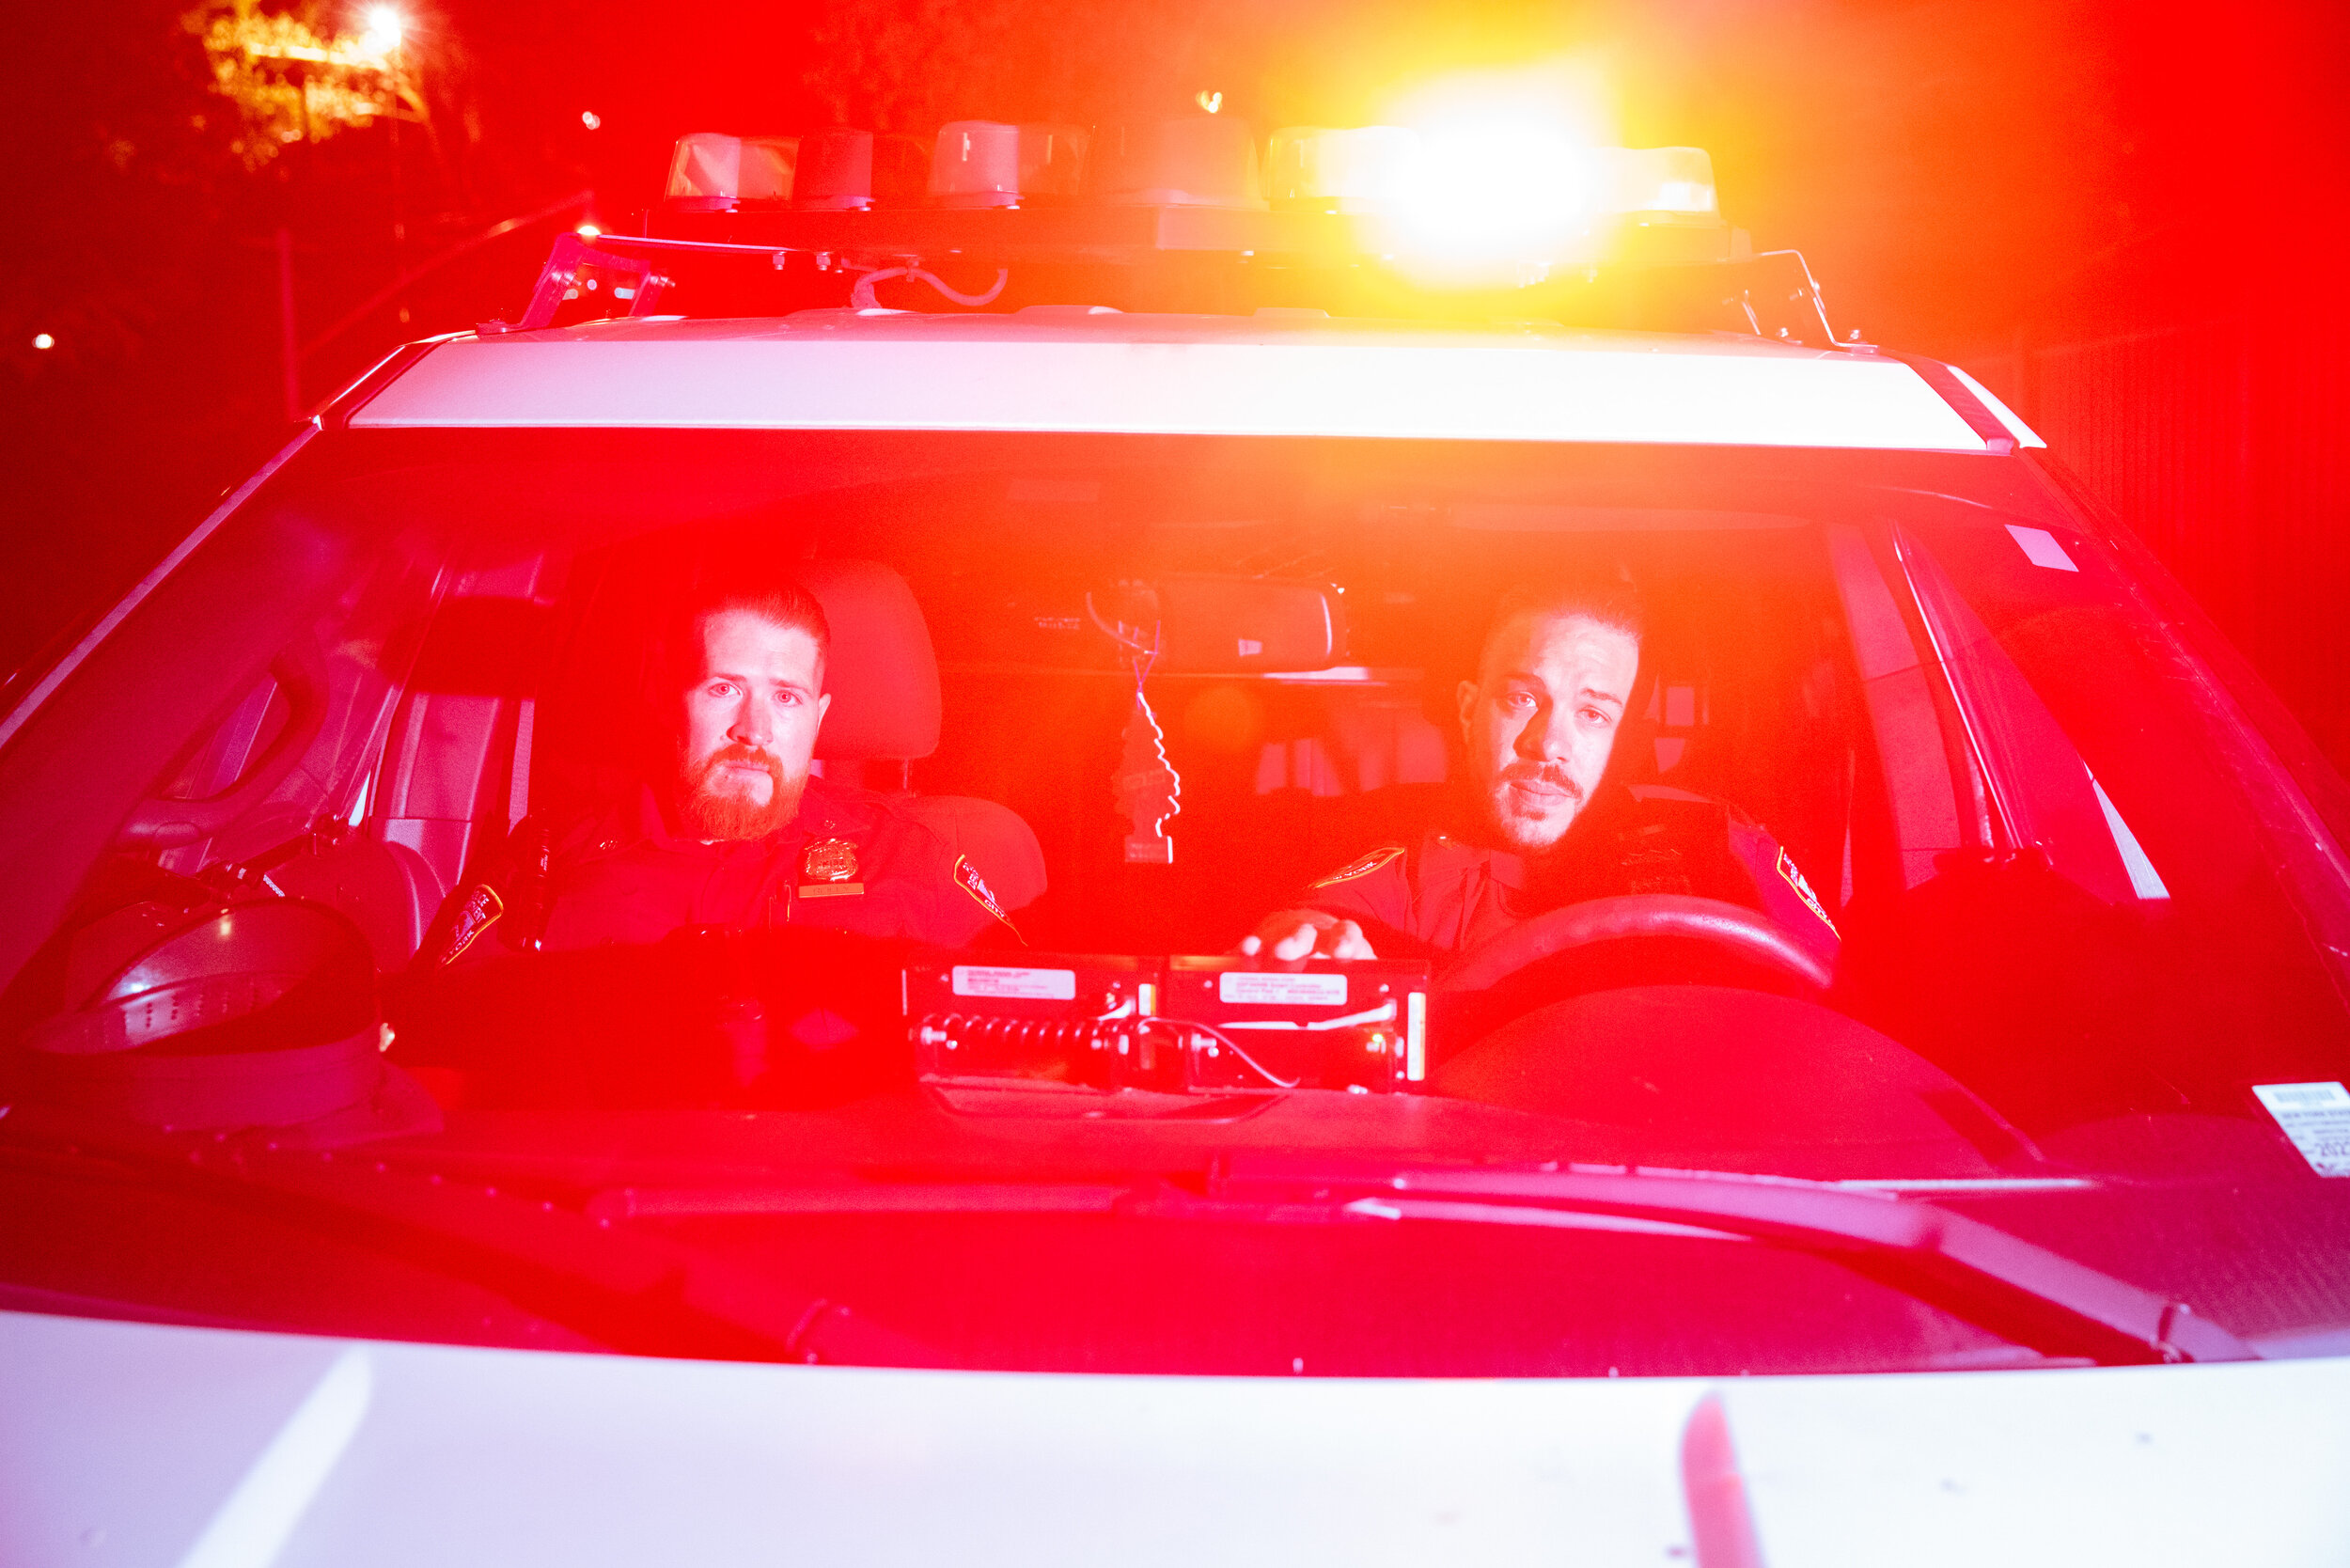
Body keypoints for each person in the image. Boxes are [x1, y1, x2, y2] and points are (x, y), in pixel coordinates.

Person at [1239, 572, 1841, 973]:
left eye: (1591, 712)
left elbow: (1833, 1003)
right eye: (1522, 699)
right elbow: (1321, 931)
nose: (1549, 744)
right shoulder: (1408, 867)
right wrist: (1302, 944)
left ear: (1620, 732)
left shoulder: (1715, 845)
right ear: (1471, 709)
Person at [418, 572, 1020, 967]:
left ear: (818, 717)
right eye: (724, 689)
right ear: (667, 699)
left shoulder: (912, 863)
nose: (754, 730)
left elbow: (1027, 1061)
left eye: (787, 697)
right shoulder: (545, 869)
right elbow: (429, 1056)